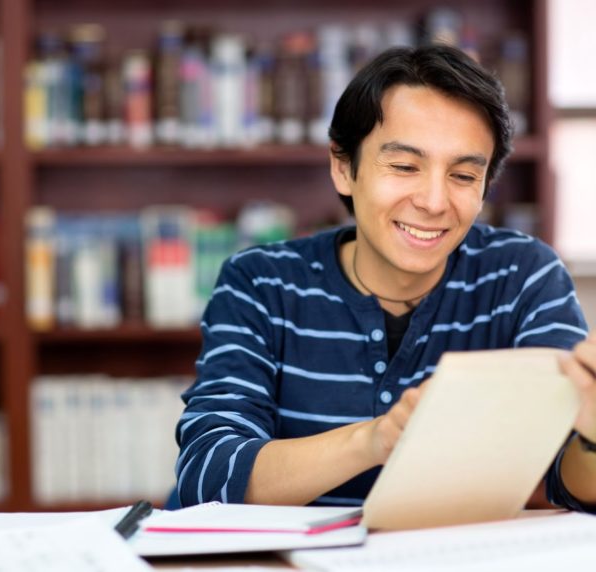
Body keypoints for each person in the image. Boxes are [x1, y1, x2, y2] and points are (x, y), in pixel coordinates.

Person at [174, 44, 596, 511]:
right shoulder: (260, 283)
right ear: (343, 167)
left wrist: (593, 437)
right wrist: (373, 441)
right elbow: (209, 473)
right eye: (403, 167)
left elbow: (569, 479)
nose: (434, 202)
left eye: (462, 175)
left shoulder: (523, 276)